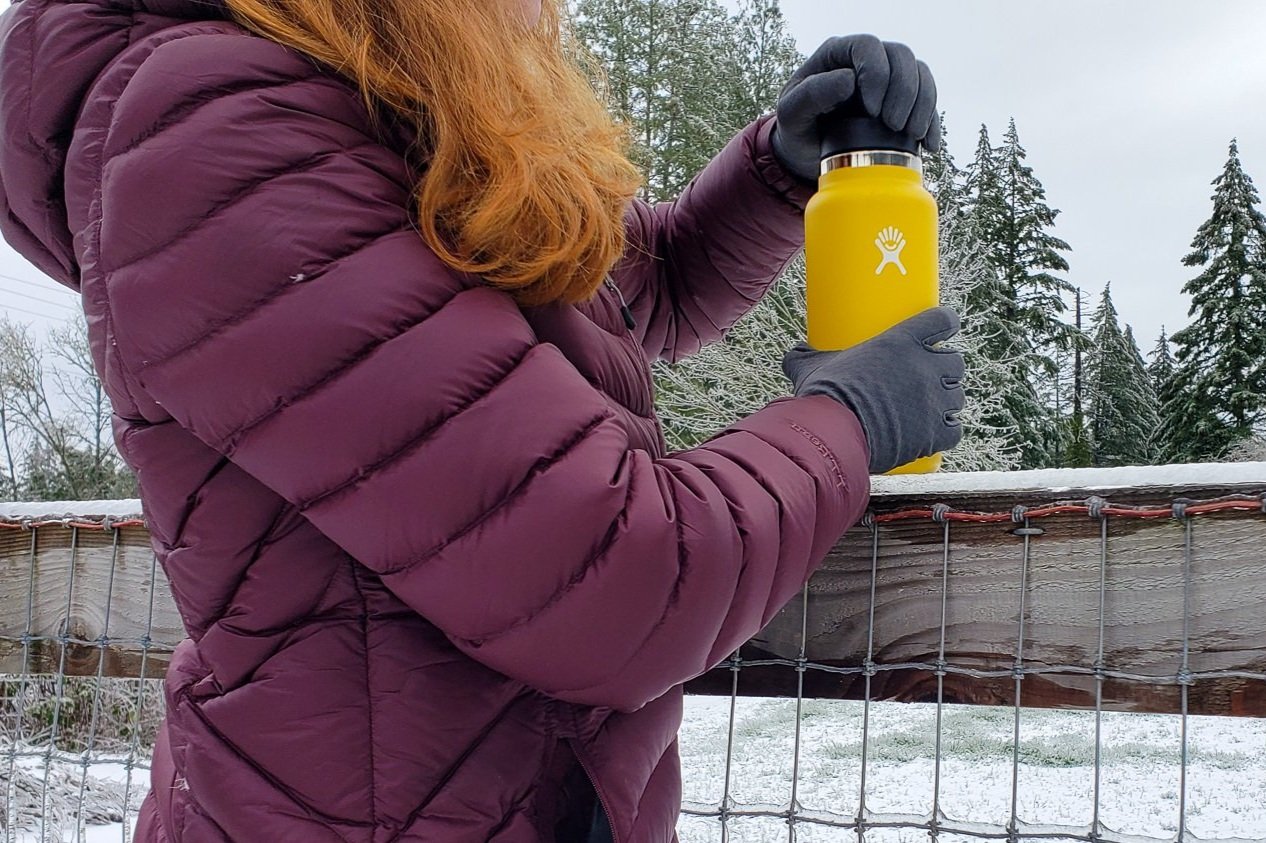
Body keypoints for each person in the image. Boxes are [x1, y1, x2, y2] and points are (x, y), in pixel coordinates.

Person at [0, 0, 963, 839]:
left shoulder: (386, 78)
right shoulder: (219, 133)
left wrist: (775, 171)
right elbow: (616, 574)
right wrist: (843, 420)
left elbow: (627, 296)